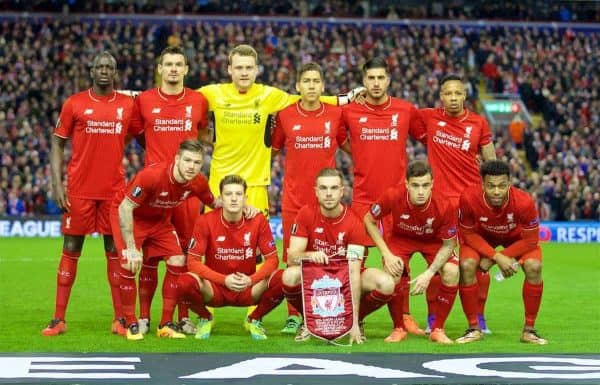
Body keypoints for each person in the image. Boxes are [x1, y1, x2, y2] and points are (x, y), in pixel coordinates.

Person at [196, 44, 362, 324]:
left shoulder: (271, 96)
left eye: (249, 67)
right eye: (239, 67)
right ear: (229, 69)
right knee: (207, 252)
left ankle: (254, 316)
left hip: (257, 186)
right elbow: (183, 102)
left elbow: (308, 97)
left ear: (257, 69)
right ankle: (204, 315)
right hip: (218, 186)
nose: (244, 72)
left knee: (260, 255)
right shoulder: (211, 93)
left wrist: (344, 99)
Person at [42, 52, 136, 337]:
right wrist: (58, 186)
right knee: (71, 250)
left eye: (110, 67)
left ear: (115, 73)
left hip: (113, 192)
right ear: (92, 71)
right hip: (80, 190)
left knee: (114, 253)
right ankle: (58, 319)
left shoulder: (127, 105)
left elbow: (143, 135)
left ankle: (120, 319)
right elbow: (57, 143)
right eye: (100, 67)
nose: (105, 71)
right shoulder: (75, 103)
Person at [341, 57, 427, 338]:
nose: (376, 83)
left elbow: (427, 136)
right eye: (370, 78)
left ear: (388, 80)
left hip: (397, 201)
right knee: (356, 261)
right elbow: (338, 137)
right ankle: (354, 315)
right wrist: (359, 157)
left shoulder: (405, 110)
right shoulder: (351, 112)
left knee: (399, 261)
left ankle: (402, 318)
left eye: (381, 78)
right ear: (363, 82)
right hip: (363, 198)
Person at [129, 46, 210, 335]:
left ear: (186, 69)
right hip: (154, 193)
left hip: (186, 193)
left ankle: (183, 316)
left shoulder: (198, 100)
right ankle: (144, 317)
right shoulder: (144, 101)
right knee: (150, 259)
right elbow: (139, 134)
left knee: (185, 257)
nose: (174, 69)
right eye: (169, 64)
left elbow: (201, 134)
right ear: (160, 69)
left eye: (179, 64)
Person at [271, 62, 347, 334]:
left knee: (331, 257)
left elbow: (347, 146)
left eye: (316, 81)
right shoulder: (285, 115)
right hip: (294, 200)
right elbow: (272, 151)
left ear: (323, 86)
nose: (312, 86)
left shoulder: (336, 115)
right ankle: (294, 315)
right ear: (298, 87)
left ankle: (330, 310)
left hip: (327, 203)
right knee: (293, 261)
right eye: (307, 81)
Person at [113, 140, 216, 340]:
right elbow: (125, 207)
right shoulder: (152, 176)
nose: (191, 166)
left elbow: (215, 203)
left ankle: (166, 324)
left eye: (196, 162)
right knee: (130, 263)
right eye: (187, 160)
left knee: (178, 260)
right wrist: (132, 248)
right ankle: (131, 322)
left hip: (160, 220)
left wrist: (244, 207)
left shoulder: (198, 182)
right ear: (177, 159)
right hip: (130, 216)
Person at [418, 74, 496, 334]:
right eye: (448, 93)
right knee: (438, 265)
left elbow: (492, 165)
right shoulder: (429, 117)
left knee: (476, 263)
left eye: (457, 93)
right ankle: (432, 318)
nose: (453, 98)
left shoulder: (478, 123)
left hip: (471, 205)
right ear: (441, 96)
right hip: (439, 205)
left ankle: (478, 318)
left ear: (465, 96)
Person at [282, 168, 395, 344]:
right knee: (289, 275)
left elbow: (353, 271)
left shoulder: (354, 222)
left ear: (342, 191)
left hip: (344, 278)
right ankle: (311, 321)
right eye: (324, 188)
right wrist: (311, 255)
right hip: (315, 277)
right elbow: (292, 257)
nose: (329, 194)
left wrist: (353, 322)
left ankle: (354, 320)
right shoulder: (305, 214)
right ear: (316, 192)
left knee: (387, 283)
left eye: (334, 188)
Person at [177, 175, 284, 340]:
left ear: (245, 198)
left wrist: (252, 280)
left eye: (238, 194)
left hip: (248, 287)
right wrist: (223, 279)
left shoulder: (258, 220)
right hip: (215, 289)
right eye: (228, 194)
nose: (233, 198)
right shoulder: (205, 221)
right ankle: (205, 317)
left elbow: (272, 260)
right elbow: (192, 262)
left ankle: (254, 319)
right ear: (220, 198)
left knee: (282, 278)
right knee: (184, 283)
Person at [364, 160, 459, 344]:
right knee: (393, 273)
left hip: (433, 241)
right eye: (415, 186)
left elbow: (449, 245)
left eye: (425, 185)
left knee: (452, 272)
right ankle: (398, 327)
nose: (421, 191)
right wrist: (386, 254)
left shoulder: (445, 205)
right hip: (401, 239)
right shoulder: (393, 195)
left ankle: (438, 329)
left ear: (432, 184)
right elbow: (368, 220)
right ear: (407, 184)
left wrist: (429, 273)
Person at [455, 160, 547, 345]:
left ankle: (529, 330)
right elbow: (467, 234)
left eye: (502, 186)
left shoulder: (524, 202)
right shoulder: (468, 197)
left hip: (516, 240)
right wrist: (495, 256)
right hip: (482, 238)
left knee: (534, 266)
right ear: (482, 184)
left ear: (509, 183)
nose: (496, 191)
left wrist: (501, 257)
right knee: (466, 265)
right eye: (491, 186)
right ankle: (474, 328)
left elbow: (531, 240)